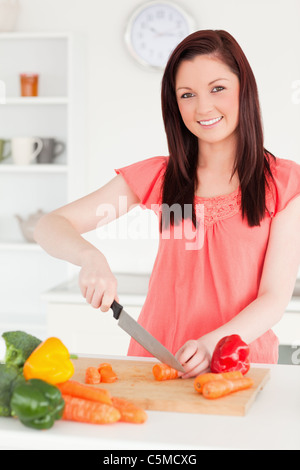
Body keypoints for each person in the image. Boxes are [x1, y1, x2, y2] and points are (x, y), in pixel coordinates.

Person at [34, 30, 300, 378]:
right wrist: (90, 259)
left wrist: (211, 345)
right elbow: (50, 225)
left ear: (243, 89)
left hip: (239, 365)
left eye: (217, 88)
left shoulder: (283, 182)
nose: (203, 107)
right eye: (187, 94)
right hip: (157, 361)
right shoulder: (160, 176)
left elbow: (273, 299)